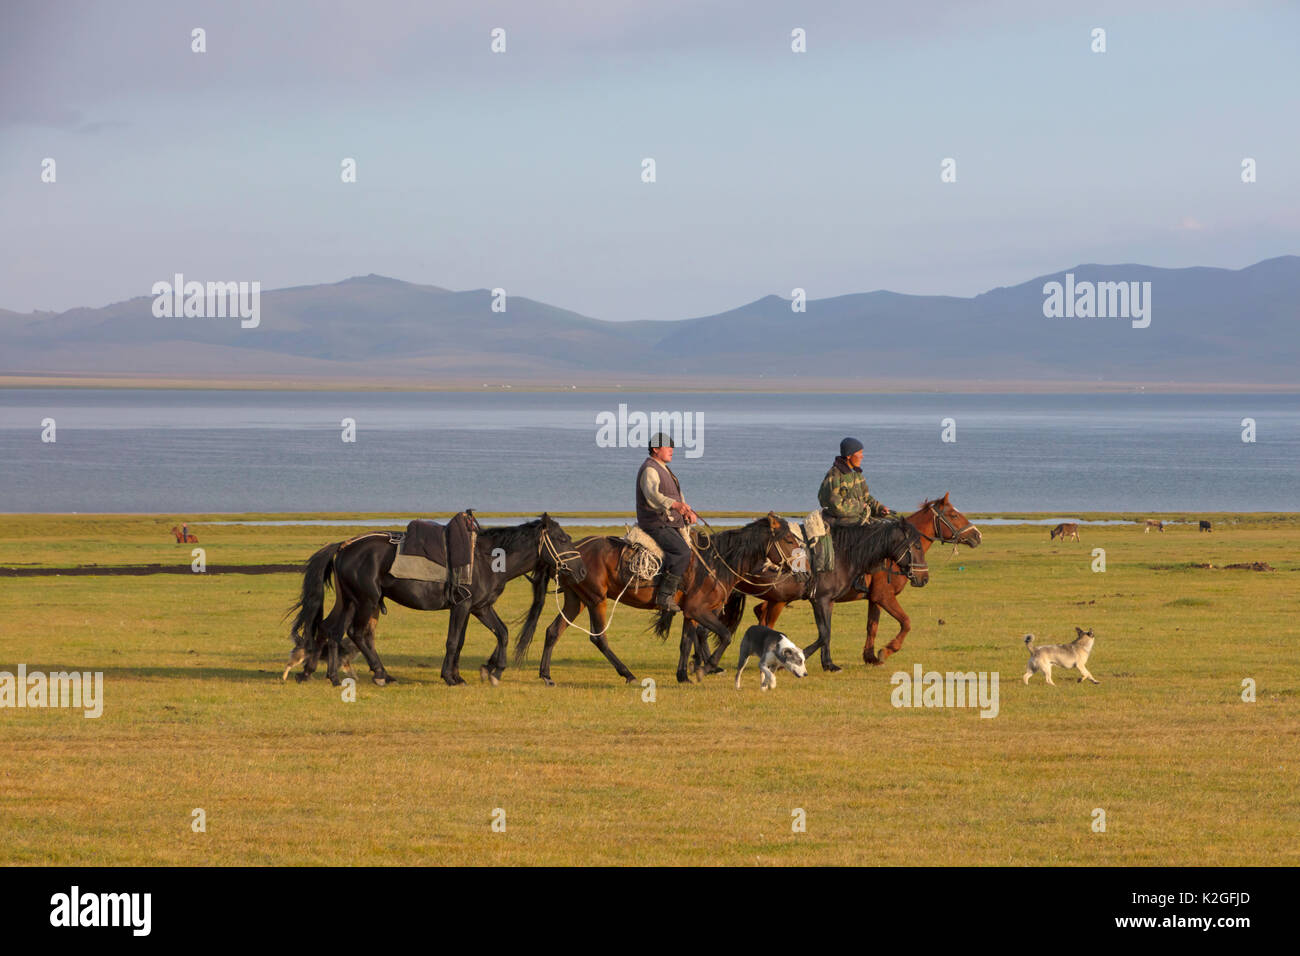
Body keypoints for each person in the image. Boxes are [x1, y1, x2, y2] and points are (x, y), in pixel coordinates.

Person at [817, 437, 892, 593]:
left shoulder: (857, 474)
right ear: (849, 455)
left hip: (855, 518)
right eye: (860, 453)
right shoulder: (834, 476)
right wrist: (860, 507)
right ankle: (858, 578)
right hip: (841, 522)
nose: (862, 456)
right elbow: (835, 505)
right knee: (866, 540)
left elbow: (866, 498)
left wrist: (879, 508)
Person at [635, 432, 698, 613]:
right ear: (656, 449)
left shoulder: (663, 468)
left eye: (672, 448)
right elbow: (653, 495)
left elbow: (676, 496)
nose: (672, 450)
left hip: (668, 522)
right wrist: (675, 505)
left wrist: (687, 511)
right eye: (667, 447)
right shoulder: (650, 469)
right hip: (654, 522)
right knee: (682, 552)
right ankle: (665, 595)